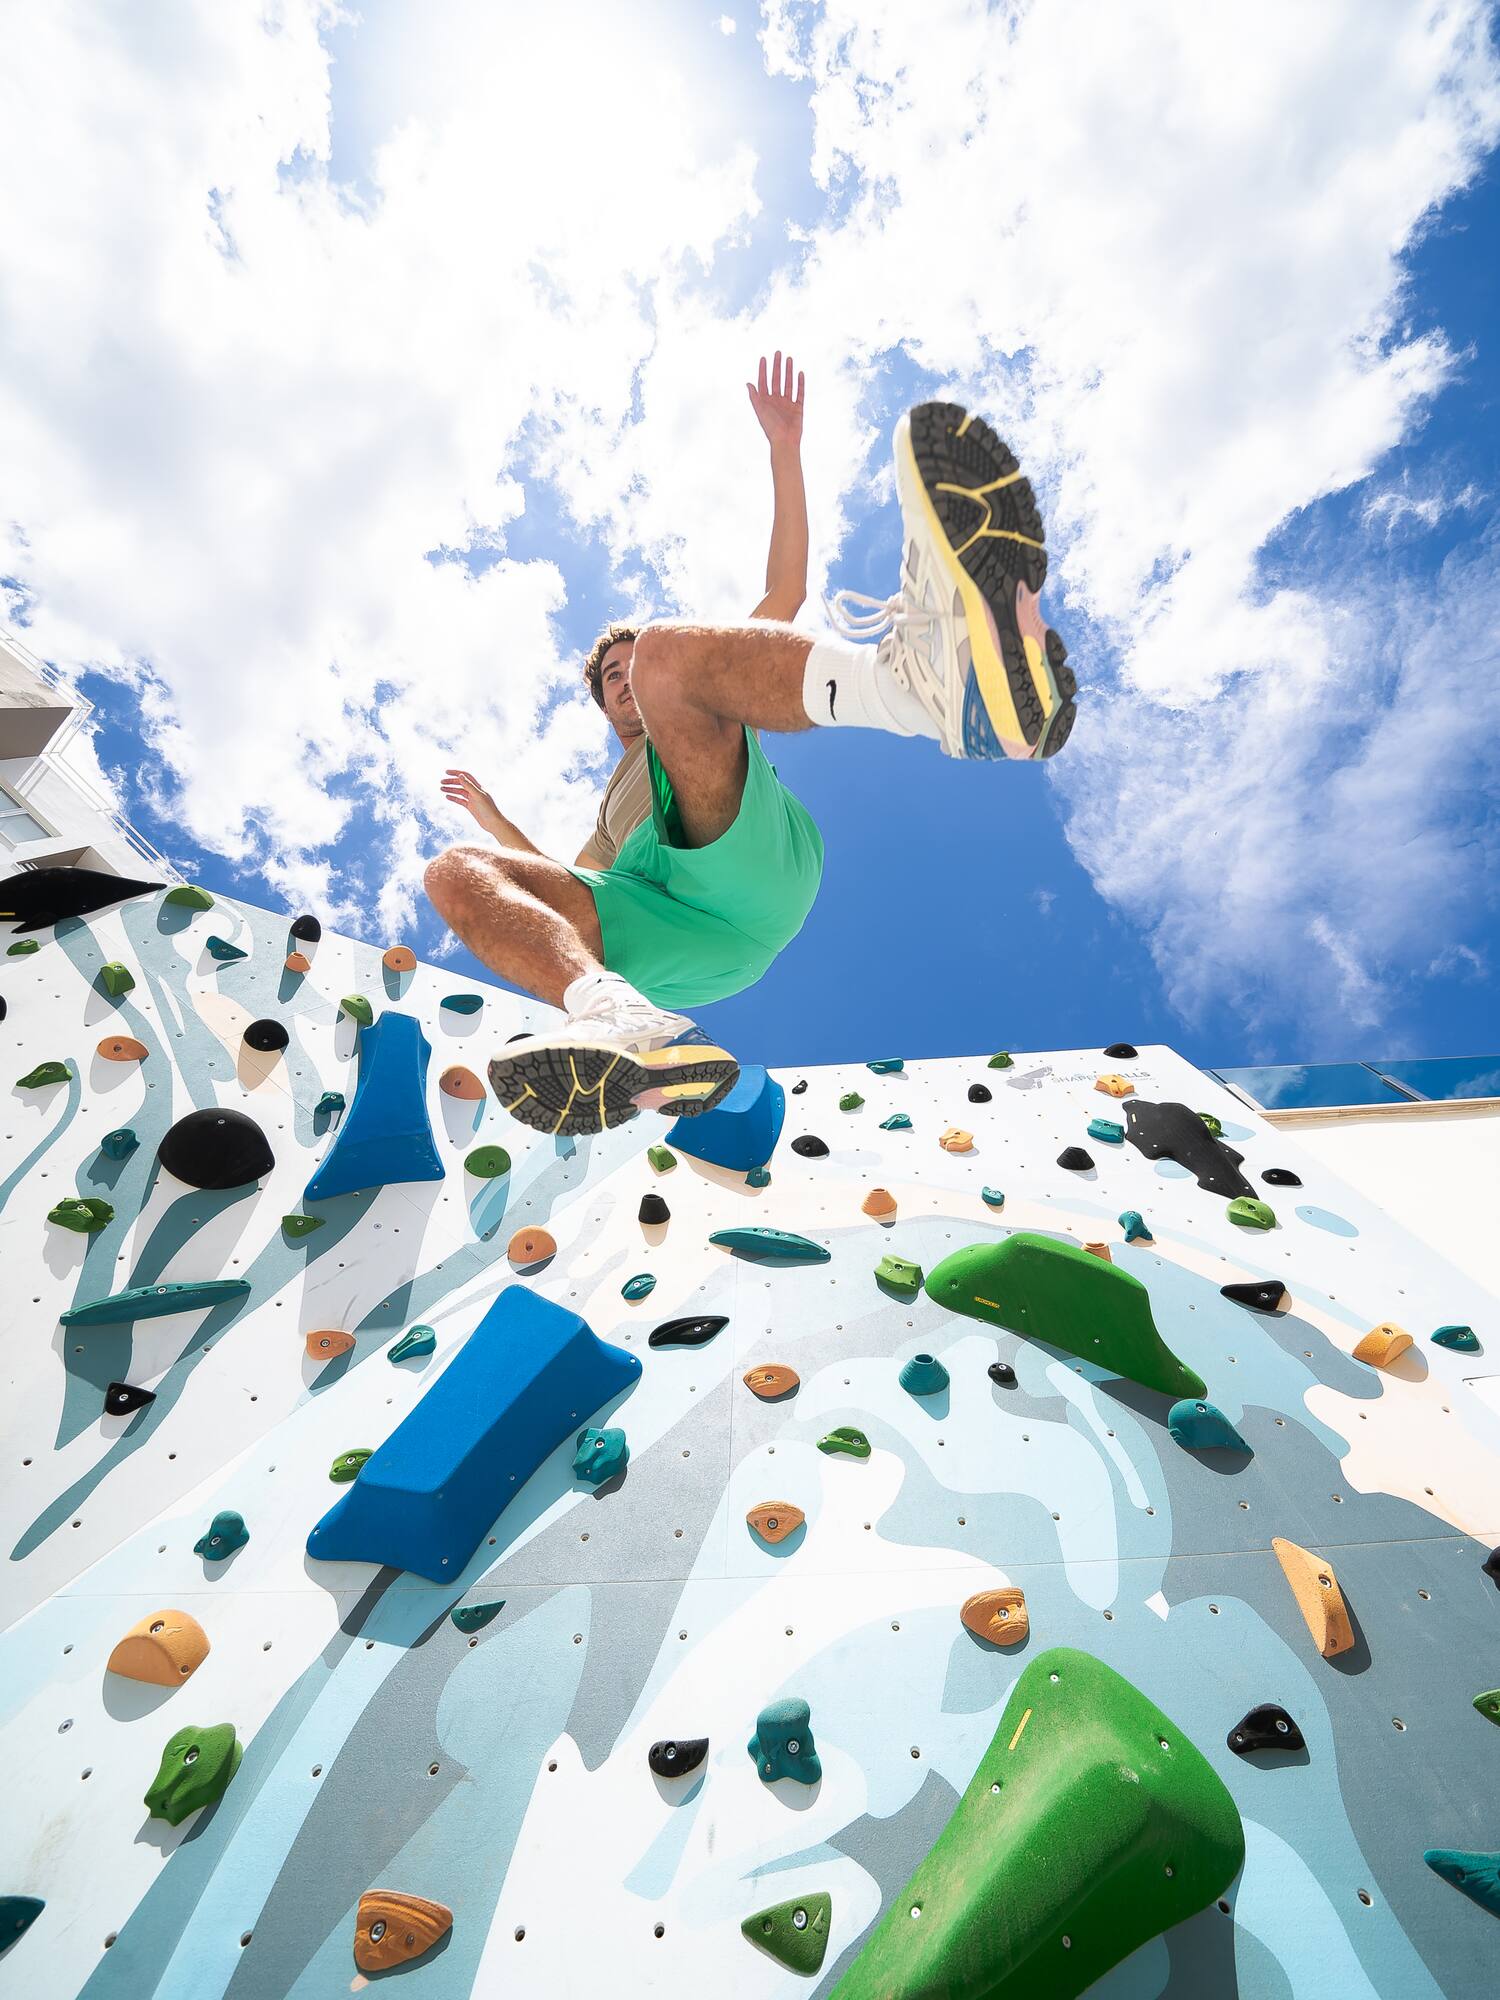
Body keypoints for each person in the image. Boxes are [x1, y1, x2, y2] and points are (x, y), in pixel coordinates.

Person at [425, 354, 1076, 1138]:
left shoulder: (685, 706)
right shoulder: (612, 810)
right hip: (669, 933)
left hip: (754, 875)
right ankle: (626, 1021)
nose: (626, 679)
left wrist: (784, 451)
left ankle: (921, 691)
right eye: (611, 679)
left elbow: (787, 594)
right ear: (601, 704)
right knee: (457, 874)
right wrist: (494, 820)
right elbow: (556, 886)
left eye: (627, 667)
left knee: (677, 652)